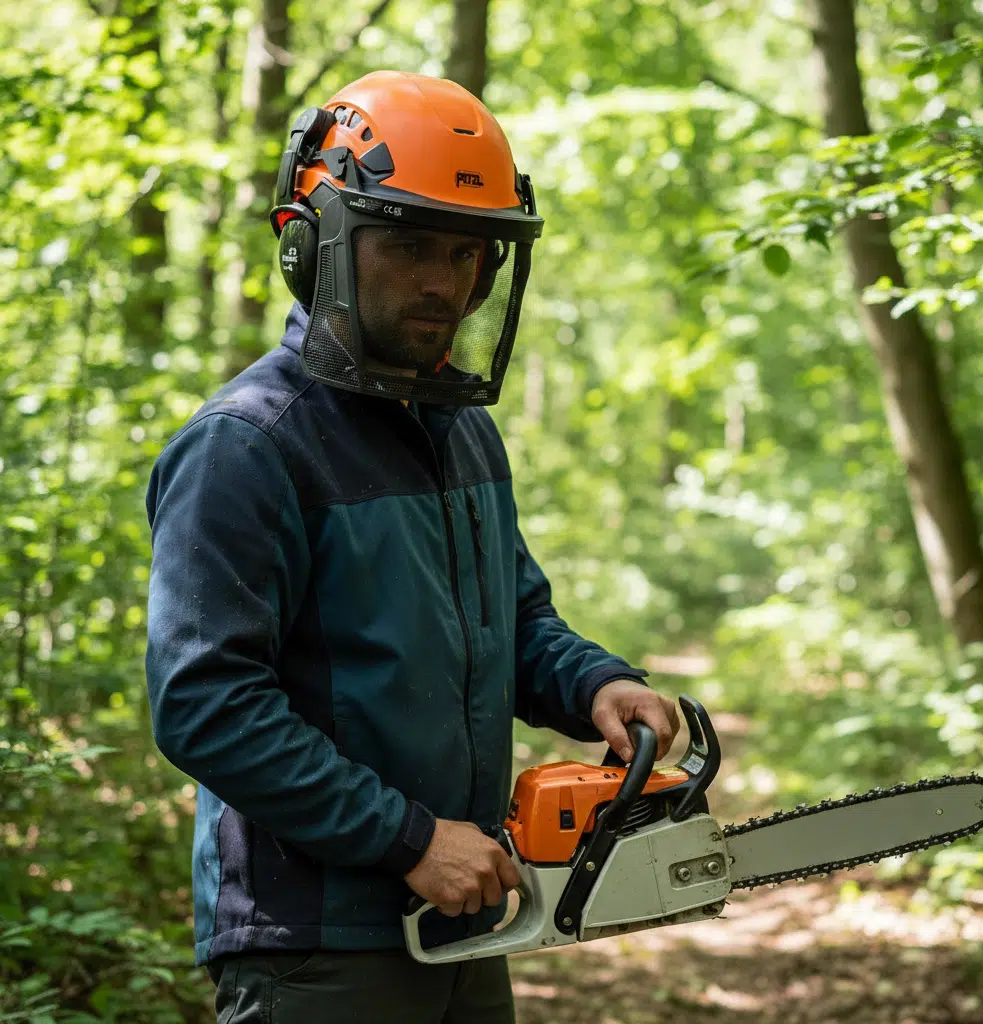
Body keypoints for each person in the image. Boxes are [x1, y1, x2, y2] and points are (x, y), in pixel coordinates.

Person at [145, 70, 680, 1024]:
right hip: (319, 942)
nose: (447, 281)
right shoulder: (250, 445)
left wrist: (595, 683)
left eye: (470, 251)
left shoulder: (459, 430)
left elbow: (512, 621)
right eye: (410, 244)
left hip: (469, 913)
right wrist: (408, 840)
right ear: (316, 242)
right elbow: (204, 704)